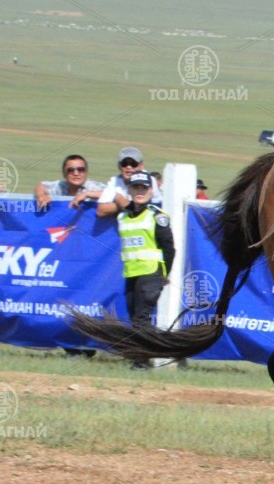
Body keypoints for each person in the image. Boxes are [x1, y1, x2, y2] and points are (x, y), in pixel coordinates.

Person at [116, 170, 175, 370]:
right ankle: (170, 349)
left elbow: (169, 249)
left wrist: (164, 275)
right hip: (131, 273)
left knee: (141, 318)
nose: (140, 191)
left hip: (151, 273)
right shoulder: (123, 216)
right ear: (130, 190)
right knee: (136, 318)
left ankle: (141, 362)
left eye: (144, 188)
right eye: (136, 187)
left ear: (151, 191)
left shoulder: (157, 216)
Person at [97, 147, 162, 218]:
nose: (128, 167)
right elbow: (101, 210)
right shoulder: (114, 181)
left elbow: (157, 206)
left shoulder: (150, 180)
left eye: (133, 164)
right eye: (124, 163)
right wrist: (122, 204)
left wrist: (119, 200)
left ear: (141, 165)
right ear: (119, 166)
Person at [34, 154, 107, 211]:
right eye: (70, 170)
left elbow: (112, 193)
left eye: (80, 169)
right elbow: (42, 185)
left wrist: (87, 194)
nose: (76, 173)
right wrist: (41, 195)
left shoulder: (93, 187)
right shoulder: (61, 186)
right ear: (64, 174)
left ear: (86, 172)